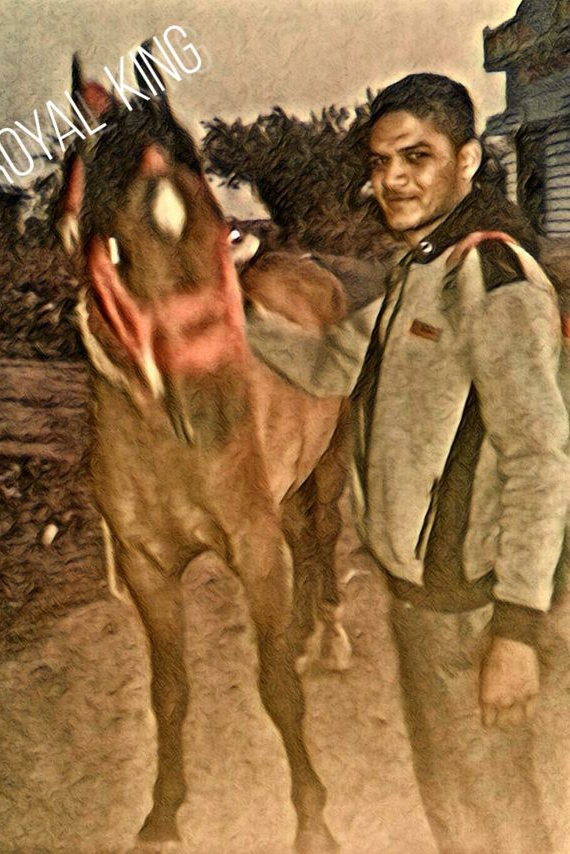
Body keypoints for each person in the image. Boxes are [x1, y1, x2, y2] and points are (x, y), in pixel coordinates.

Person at [246, 73, 570, 853]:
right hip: (422, 601)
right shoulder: (419, 272)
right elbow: (331, 363)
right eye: (380, 160)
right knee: (453, 804)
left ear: (467, 160)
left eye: (416, 157)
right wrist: (232, 313)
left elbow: (540, 458)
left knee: (495, 814)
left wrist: (517, 632)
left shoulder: (491, 281)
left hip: (471, 609)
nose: (391, 178)